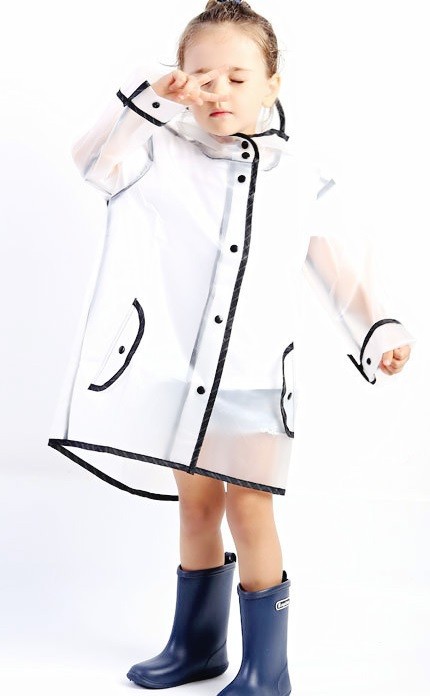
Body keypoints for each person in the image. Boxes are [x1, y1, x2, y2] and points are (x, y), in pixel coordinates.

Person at [47, 1, 414, 693]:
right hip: (176, 374)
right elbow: (91, 159)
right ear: (180, 80)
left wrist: (380, 332)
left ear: (272, 83)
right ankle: (196, 646)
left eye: (238, 78)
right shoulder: (156, 153)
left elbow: (341, 271)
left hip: (254, 380)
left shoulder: (302, 176)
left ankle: (266, 671)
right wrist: (149, 93)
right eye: (202, 76)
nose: (219, 91)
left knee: (249, 507)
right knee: (195, 507)